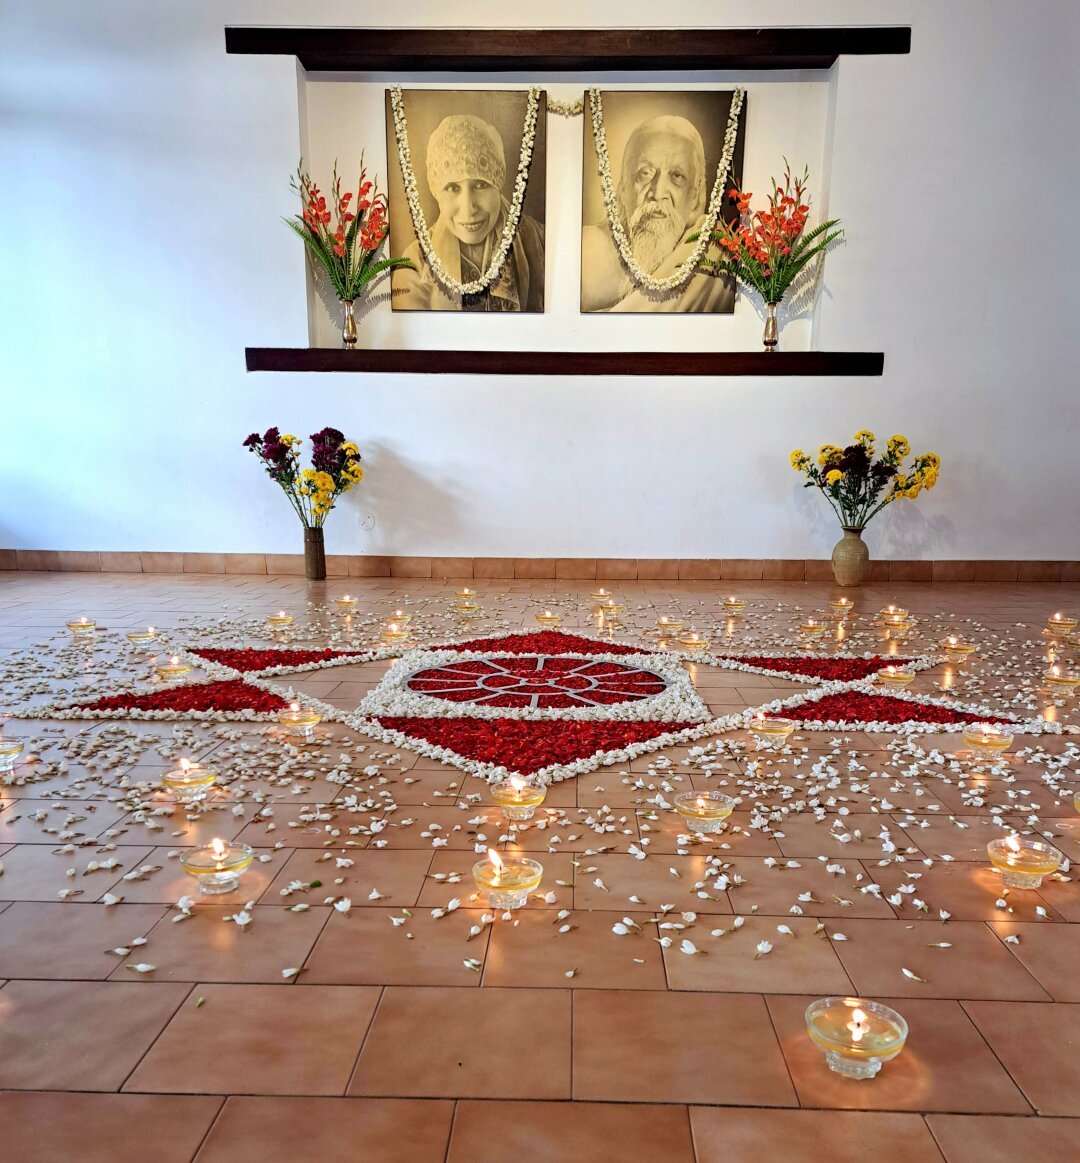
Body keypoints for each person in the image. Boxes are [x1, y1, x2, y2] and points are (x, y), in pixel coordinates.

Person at [581, 113, 734, 313]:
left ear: (695, 195)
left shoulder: (714, 253)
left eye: (677, 176)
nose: (658, 192)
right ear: (624, 187)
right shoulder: (588, 249)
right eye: (645, 173)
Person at [396, 113, 544, 312]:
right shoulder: (416, 264)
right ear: (436, 192)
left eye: (481, 184)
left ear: (498, 186)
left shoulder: (538, 242)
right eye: (452, 188)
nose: (468, 208)